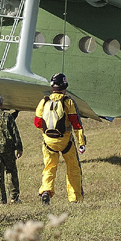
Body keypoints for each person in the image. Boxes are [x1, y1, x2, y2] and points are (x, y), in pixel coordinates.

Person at [34, 73, 86, 205]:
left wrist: (46, 135)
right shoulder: (68, 101)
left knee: (49, 167)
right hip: (65, 142)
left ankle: (46, 190)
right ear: (65, 86)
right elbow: (76, 124)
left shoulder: (44, 101)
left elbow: (37, 122)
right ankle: (74, 198)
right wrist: (81, 143)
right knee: (73, 168)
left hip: (48, 142)